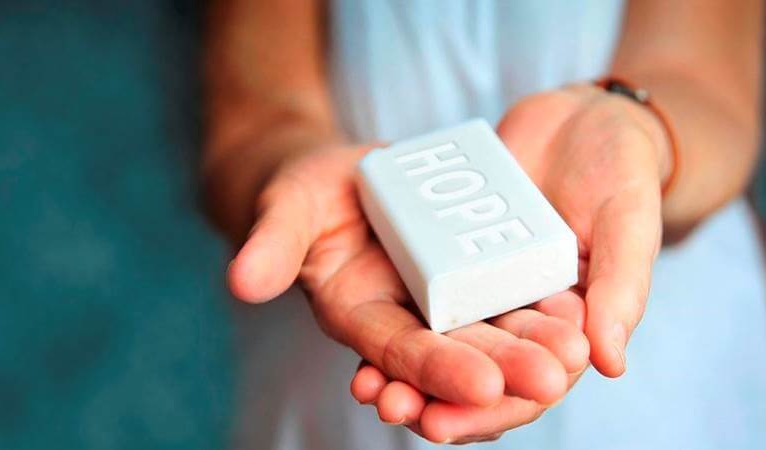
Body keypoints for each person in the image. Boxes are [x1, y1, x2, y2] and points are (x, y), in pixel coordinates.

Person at [204, 0, 766, 448]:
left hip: (658, 345)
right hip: (337, 346)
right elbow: (250, 120)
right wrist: (284, 175)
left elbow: (708, 86)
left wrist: (641, 134)